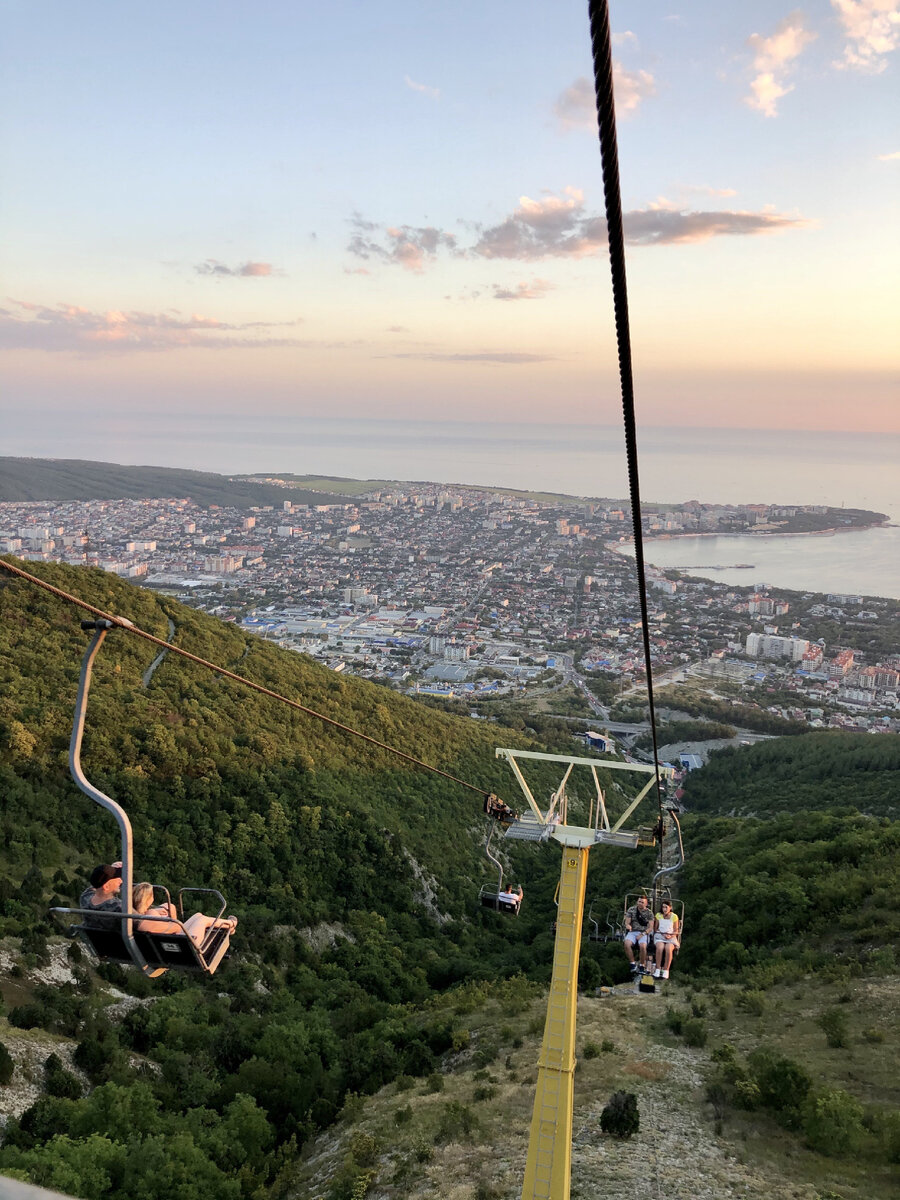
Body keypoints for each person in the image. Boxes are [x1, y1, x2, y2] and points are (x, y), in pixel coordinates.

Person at [132, 882, 237, 951]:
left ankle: (229, 926)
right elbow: (173, 926)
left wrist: (159, 913)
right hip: (183, 945)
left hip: (175, 940)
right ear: (149, 899)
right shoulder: (149, 916)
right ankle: (231, 924)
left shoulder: (138, 915)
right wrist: (172, 923)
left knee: (198, 915)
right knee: (203, 920)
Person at [79, 862, 123, 928]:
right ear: (106, 886)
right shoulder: (119, 907)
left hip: (92, 937)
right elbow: (142, 926)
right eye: (117, 879)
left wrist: (110, 869)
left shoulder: (85, 897)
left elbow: (96, 884)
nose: (121, 881)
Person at [623, 894, 653, 974]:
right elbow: (627, 922)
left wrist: (642, 934)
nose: (640, 903)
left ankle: (642, 965)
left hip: (644, 932)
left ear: (646, 904)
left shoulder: (649, 913)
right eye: (639, 901)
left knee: (643, 946)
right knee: (626, 944)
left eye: (642, 902)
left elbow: (650, 928)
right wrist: (628, 925)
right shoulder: (632, 910)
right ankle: (632, 963)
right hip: (633, 931)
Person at [653, 900, 680, 979]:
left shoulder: (674, 916)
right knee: (660, 947)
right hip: (660, 935)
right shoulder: (658, 915)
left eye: (666, 907)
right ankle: (657, 969)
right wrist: (662, 933)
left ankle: (666, 970)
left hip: (671, 936)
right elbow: (656, 928)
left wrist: (670, 936)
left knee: (668, 949)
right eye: (663, 907)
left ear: (670, 908)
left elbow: (676, 930)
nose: (664, 909)